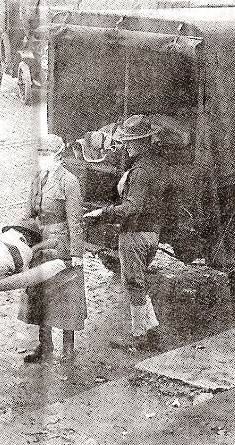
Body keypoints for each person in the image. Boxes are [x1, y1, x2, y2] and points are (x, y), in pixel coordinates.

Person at [84, 114, 169, 346]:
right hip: (151, 232)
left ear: (142, 142)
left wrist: (103, 213)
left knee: (134, 284)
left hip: (135, 235)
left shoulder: (140, 172)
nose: (127, 146)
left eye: (131, 142)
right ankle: (152, 333)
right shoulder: (157, 164)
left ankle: (140, 338)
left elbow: (133, 206)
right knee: (137, 282)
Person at [19, 133, 87, 362]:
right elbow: (28, 214)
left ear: (58, 156)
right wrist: (22, 238)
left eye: (47, 154)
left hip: (61, 243)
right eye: (40, 154)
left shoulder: (69, 181)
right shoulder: (37, 178)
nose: (43, 158)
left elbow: (75, 221)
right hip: (40, 242)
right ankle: (44, 346)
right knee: (39, 292)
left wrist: (77, 252)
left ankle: (68, 347)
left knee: (67, 295)